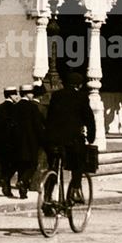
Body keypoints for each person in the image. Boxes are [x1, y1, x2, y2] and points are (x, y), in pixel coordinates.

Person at [42, 72, 95, 214]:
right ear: (79, 85)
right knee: (79, 163)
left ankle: (47, 197)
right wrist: (91, 137)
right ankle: (75, 190)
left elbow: (50, 117)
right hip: (72, 140)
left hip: (53, 139)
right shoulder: (82, 97)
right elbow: (89, 119)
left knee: (53, 167)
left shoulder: (56, 96)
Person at [13, 84, 45, 199]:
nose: (33, 95)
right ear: (27, 93)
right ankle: (23, 182)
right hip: (31, 141)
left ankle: (23, 191)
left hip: (17, 141)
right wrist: (42, 139)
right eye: (31, 93)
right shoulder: (32, 108)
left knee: (21, 165)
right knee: (32, 164)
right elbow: (37, 126)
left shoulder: (15, 107)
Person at [0, 86, 20, 197]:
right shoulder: (16, 109)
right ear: (11, 95)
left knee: (4, 164)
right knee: (14, 164)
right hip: (13, 142)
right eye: (16, 94)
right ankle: (6, 181)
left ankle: (6, 184)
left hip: (0, 143)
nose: (17, 96)